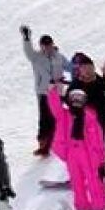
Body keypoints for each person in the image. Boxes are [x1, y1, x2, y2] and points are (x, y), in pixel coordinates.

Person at [49, 85, 105, 210]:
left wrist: (102, 159)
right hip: (71, 152)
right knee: (76, 180)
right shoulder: (63, 115)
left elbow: (99, 140)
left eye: (79, 98)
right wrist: (53, 92)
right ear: (69, 99)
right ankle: (81, 205)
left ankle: (99, 204)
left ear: (84, 100)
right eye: (73, 97)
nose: (76, 100)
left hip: (88, 153)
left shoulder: (90, 118)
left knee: (93, 179)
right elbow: (54, 106)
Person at [21, 26, 68, 155]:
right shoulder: (36, 57)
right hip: (44, 92)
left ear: (53, 44)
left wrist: (78, 69)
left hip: (58, 92)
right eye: (44, 45)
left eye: (49, 44)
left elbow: (69, 66)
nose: (47, 47)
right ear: (41, 46)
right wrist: (26, 38)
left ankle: (56, 142)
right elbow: (28, 51)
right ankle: (43, 144)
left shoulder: (59, 57)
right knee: (44, 119)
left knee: (56, 117)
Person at [67, 53, 105, 131]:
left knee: (100, 141)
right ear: (80, 69)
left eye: (90, 67)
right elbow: (68, 100)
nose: (88, 71)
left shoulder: (97, 78)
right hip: (83, 120)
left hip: (100, 118)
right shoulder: (76, 83)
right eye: (84, 68)